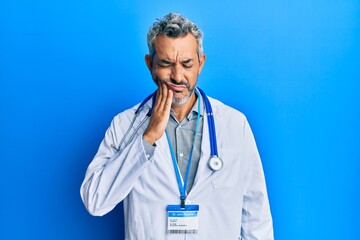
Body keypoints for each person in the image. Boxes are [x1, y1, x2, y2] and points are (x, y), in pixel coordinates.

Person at [80, 13, 273, 240]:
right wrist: (147, 138)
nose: (177, 76)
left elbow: (255, 216)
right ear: (150, 64)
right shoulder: (125, 124)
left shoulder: (234, 124)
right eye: (166, 64)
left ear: (200, 63)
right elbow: (94, 200)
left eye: (186, 64)